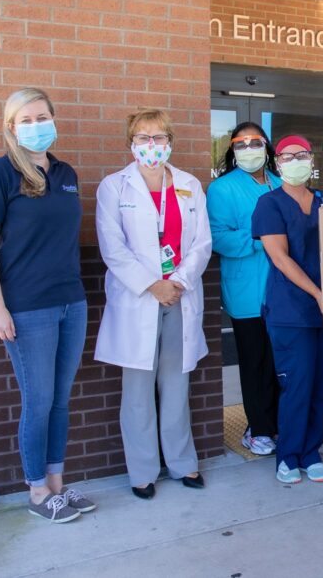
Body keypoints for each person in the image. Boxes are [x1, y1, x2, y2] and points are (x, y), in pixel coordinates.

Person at [0, 87, 94, 523]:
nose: (36, 125)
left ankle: (57, 484)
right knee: (38, 400)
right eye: (26, 120)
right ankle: (38, 491)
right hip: (26, 307)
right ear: (11, 127)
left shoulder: (65, 172)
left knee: (60, 400)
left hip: (71, 302)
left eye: (42, 117)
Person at [95, 108, 211, 500]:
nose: (151, 145)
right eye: (143, 137)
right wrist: (152, 286)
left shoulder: (189, 185)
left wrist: (177, 282)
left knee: (177, 383)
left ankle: (182, 462)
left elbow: (202, 243)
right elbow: (113, 247)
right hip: (138, 298)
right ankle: (142, 471)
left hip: (179, 294)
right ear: (131, 143)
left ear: (170, 142)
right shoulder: (114, 187)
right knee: (137, 389)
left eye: (159, 137)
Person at [251, 135, 323, 484]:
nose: (295, 161)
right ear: (277, 164)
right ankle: (288, 456)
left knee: (320, 386)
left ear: (311, 159)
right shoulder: (269, 204)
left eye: (301, 155)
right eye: (287, 157)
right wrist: (318, 293)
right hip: (291, 311)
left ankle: (311, 453)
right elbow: (280, 258)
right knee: (297, 385)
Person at [208, 123, 281, 457]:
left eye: (256, 142)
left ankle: (277, 423)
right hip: (246, 290)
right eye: (241, 144)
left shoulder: (281, 182)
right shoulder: (222, 189)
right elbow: (218, 237)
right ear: (232, 150)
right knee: (255, 362)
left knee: (280, 361)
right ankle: (258, 429)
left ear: (267, 146)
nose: (249, 149)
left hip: (283, 288)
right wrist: (261, 237)